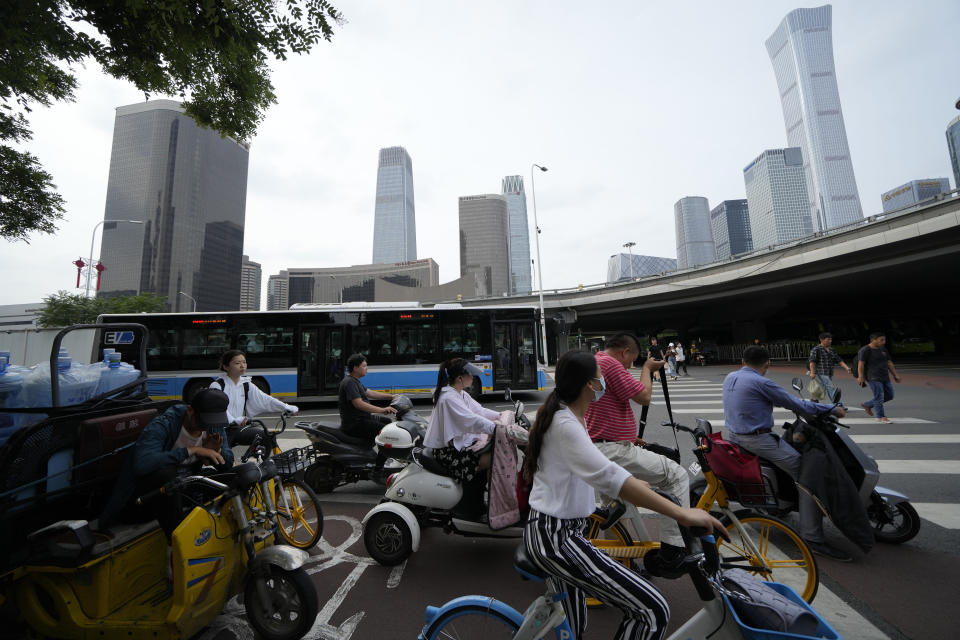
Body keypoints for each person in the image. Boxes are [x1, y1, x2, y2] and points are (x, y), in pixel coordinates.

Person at [523, 350, 726, 640]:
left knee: (574, 627)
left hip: (559, 531)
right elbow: (609, 475)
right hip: (557, 539)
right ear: (589, 384)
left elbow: (596, 465)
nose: (604, 380)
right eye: (600, 376)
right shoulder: (566, 424)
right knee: (653, 610)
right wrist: (681, 512)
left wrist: (636, 483)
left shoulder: (567, 415)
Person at [722, 345, 850, 561]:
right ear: (768, 363)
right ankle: (812, 538)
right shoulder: (761, 382)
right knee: (806, 475)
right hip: (757, 439)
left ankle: (781, 506)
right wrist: (831, 409)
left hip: (736, 435)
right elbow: (794, 403)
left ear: (743, 362)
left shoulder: (731, 377)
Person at [585, 333, 692, 574]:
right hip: (613, 449)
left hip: (600, 447)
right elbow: (644, 397)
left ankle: (618, 564)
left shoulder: (596, 361)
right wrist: (647, 368)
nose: (629, 366)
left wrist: (630, 436)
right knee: (675, 475)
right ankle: (673, 549)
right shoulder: (611, 363)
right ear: (624, 351)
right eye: (631, 359)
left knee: (614, 507)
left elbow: (603, 408)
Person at [99, 388, 235, 533]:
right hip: (146, 500)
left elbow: (228, 463)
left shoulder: (213, 427)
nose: (206, 427)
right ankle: (177, 540)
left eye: (212, 423)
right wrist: (192, 450)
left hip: (184, 491)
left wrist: (216, 451)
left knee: (236, 476)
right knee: (168, 475)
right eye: (202, 423)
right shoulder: (164, 424)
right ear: (190, 411)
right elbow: (142, 464)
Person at [423, 358, 500, 483]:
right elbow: (471, 420)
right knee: (494, 458)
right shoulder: (448, 398)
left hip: (458, 447)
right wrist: (496, 428)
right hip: (448, 453)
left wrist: (502, 415)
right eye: (470, 374)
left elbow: (480, 411)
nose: (472, 377)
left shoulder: (461, 394)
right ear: (460, 378)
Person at [211, 350, 298, 427]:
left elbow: (265, 399)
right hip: (221, 430)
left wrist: (286, 407)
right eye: (237, 363)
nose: (242, 366)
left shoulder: (246, 384)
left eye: (244, 362)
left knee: (264, 437)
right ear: (226, 367)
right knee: (226, 446)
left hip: (238, 427)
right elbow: (219, 409)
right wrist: (233, 420)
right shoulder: (218, 386)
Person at [338, 353, 396, 440]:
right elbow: (359, 404)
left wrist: (391, 396)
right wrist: (382, 410)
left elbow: (370, 393)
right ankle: (383, 453)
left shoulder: (354, 381)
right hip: (355, 423)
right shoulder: (350, 382)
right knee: (387, 431)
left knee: (388, 422)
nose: (367, 368)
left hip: (362, 418)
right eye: (364, 366)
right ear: (355, 368)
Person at [857, 332, 901, 424]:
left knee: (889, 395)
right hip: (873, 377)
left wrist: (895, 375)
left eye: (884, 340)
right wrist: (860, 377)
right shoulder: (865, 350)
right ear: (873, 340)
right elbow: (861, 364)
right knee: (879, 396)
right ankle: (881, 416)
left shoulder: (883, 349)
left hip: (885, 376)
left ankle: (867, 404)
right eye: (881, 340)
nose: (884, 342)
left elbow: (889, 363)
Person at [807, 333, 851, 404]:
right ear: (821, 340)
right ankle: (838, 404)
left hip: (829, 372)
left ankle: (814, 400)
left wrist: (847, 368)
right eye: (828, 339)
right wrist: (812, 372)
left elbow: (839, 360)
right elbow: (812, 362)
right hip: (821, 372)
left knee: (823, 387)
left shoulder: (831, 350)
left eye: (831, 339)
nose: (830, 341)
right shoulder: (816, 349)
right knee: (830, 387)